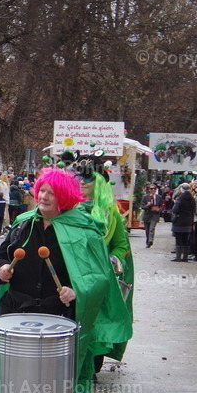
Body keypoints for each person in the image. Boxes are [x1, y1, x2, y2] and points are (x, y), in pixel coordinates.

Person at [0, 168, 130, 393]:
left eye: (50, 193)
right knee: (17, 378)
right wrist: (1, 268)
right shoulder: (23, 225)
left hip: (58, 315)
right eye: (41, 191)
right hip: (18, 310)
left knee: (55, 383)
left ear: (63, 198)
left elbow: (99, 276)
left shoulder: (83, 230)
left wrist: (75, 291)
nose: (42, 196)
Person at [77, 161, 134, 381]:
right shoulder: (66, 207)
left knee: (96, 323)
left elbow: (120, 244)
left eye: (88, 179)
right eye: (79, 179)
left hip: (100, 277)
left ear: (98, 182)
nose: (82, 182)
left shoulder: (110, 212)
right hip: (73, 275)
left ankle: (90, 366)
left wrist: (114, 258)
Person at [170, 183, 195, 262]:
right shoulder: (192, 199)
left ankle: (178, 256)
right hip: (188, 221)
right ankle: (185, 257)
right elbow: (194, 210)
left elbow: (175, 210)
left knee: (178, 239)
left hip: (179, 221)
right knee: (186, 239)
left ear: (182, 189)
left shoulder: (179, 198)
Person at [140, 183, 163, 248]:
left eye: (154, 189)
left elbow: (162, 206)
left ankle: (150, 240)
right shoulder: (145, 197)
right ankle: (148, 241)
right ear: (149, 190)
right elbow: (142, 207)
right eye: (151, 188)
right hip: (147, 215)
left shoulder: (159, 197)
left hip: (155, 215)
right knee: (147, 230)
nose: (153, 190)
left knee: (151, 228)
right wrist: (147, 205)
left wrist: (159, 209)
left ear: (156, 190)